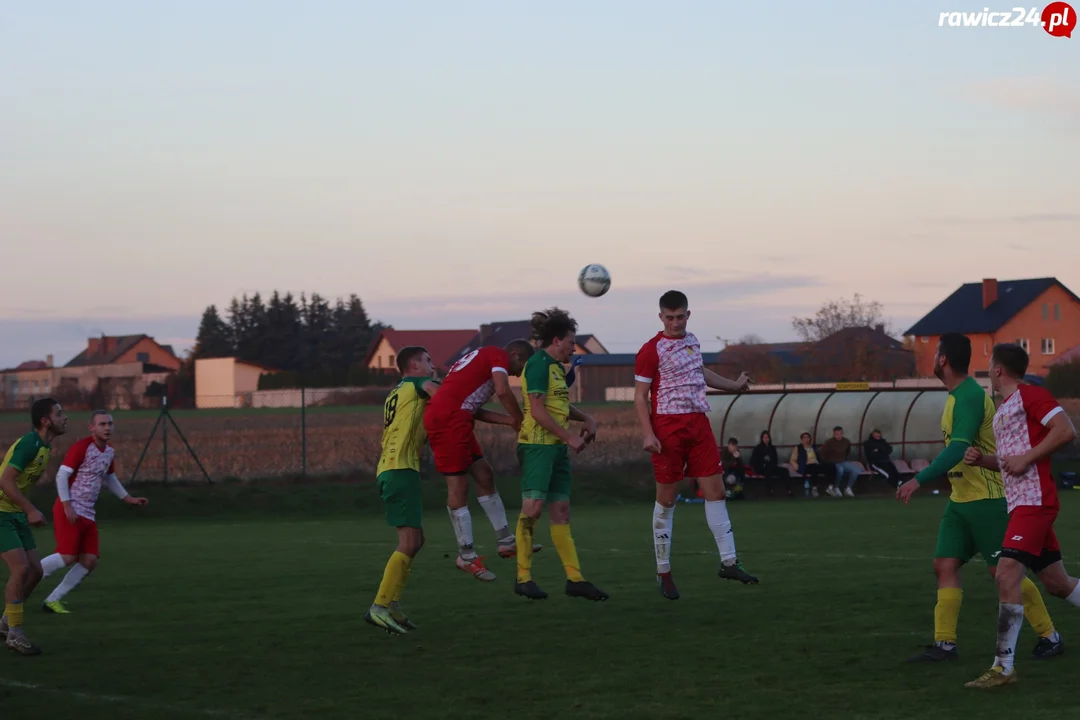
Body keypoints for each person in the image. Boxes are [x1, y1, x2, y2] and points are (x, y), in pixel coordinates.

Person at [896, 333, 1062, 663]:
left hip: (987, 499)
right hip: (961, 501)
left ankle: (1049, 636)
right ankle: (945, 644)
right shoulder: (957, 395)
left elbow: (958, 449)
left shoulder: (970, 395)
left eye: (936, 354)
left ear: (942, 360)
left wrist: (919, 479)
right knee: (943, 565)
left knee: (1002, 573)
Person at [961, 343, 1079, 688]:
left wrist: (1027, 458)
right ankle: (1004, 668)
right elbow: (1011, 462)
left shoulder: (1031, 394)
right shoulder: (1006, 409)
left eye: (989, 365)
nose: (988, 371)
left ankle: (1003, 667)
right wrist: (982, 459)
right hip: (1021, 503)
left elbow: (1065, 429)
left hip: (1035, 501)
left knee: (1007, 571)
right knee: (1057, 584)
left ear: (998, 370)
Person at [634, 290, 757, 601]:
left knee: (716, 492)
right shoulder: (651, 350)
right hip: (668, 427)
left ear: (688, 315)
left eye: (680, 316)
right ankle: (663, 570)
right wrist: (649, 434)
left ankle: (729, 562)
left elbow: (698, 372)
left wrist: (733, 385)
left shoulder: (692, 341)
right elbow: (639, 396)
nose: (675, 322)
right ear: (661, 317)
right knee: (668, 498)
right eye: (670, 317)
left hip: (698, 423)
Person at [422, 340, 542, 582]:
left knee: (485, 475)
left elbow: (473, 407)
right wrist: (520, 418)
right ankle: (465, 555)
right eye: (522, 366)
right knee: (459, 486)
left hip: (458, 417)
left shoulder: (480, 361)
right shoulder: (497, 355)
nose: (520, 373)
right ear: (515, 354)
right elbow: (502, 390)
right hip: (448, 420)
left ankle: (506, 541)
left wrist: (510, 421)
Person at [513, 308, 608, 602]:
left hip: (555, 450)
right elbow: (538, 410)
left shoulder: (556, 367)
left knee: (561, 511)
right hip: (537, 447)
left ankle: (575, 579)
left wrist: (587, 419)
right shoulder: (538, 364)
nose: (573, 347)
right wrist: (568, 437)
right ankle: (523, 577)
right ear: (557, 340)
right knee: (533, 509)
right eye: (571, 341)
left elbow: (558, 406)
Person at [38, 410, 148, 614]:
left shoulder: (108, 452)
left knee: (90, 560)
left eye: (110, 424)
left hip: (88, 512)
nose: (107, 428)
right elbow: (62, 476)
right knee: (68, 556)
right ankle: (27, 576)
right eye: (102, 424)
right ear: (92, 427)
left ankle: (53, 600)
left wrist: (127, 498)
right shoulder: (82, 447)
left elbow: (110, 478)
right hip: (69, 509)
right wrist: (67, 504)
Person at [365, 346, 441, 635]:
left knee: (416, 540)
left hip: (394, 468)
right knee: (408, 542)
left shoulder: (398, 391)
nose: (433, 366)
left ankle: (392, 604)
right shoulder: (417, 383)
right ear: (414, 364)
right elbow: (442, 396)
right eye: (428, 360)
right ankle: (379, 607)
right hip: (399, 470)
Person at [0, 398, 68, 655]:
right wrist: (31, 509)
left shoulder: (43, 446)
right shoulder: (31, 443)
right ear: (45, 421)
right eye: (59, 413)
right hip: (1, 514)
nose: (65, 418)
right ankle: (14, 634)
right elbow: (5, 481)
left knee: (36, 571)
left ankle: (6, 622)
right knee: (20, 568)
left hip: (14, 513)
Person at [818, 426, 860, 497]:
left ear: (842, 433)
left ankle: (848, 488)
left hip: (843, 461)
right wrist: (827, 461)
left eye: (840, 434)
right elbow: (822, 453)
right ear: (834, 434)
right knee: (840, 470)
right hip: (832, 462)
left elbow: (848, 451)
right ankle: (836, 487)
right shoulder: (829, 442)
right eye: (837, 434)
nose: (839, 436)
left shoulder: (846, 441)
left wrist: (845, 459)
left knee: (856, 470)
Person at [750, 430, 788, 496]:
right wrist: (763, 462)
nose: (766, 439)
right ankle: (770, 489)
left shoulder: (772, 448)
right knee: (768, 469)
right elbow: (753, 461)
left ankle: (788, 489)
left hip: (772, 467)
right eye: (764, 437)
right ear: (762, 439)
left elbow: (775, 460)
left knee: (784, 471)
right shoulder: (758, 448)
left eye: (767, 437)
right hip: (761, 468)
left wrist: (771, 463)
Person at [789, 432, 827, 498]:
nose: (806, 439)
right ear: (801, 439)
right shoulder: (798, 448)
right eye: (804, 437)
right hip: (805, 465)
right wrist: (796, 466)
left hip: (815, 464)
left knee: (830, 466)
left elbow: (819, 457)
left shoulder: (813, 447)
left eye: (808, 437)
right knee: (813, 468)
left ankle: (831, 487)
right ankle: (814, 488)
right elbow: (792, 459)